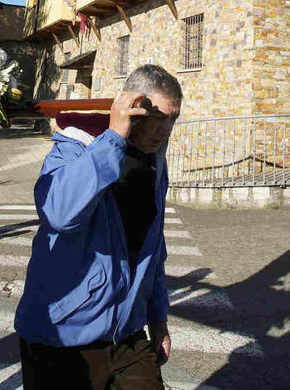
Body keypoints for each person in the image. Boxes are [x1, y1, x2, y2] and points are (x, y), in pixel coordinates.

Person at [14, 64, 182, 390]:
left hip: (127, 335)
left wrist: (157, 318)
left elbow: (153, 248)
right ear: (133, 107)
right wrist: (114, 138)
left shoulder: (154, 162)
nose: (166, 129)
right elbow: (59, 212)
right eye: (159, 116)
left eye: (173, 118)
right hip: (62, 335)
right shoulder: (75, 146)